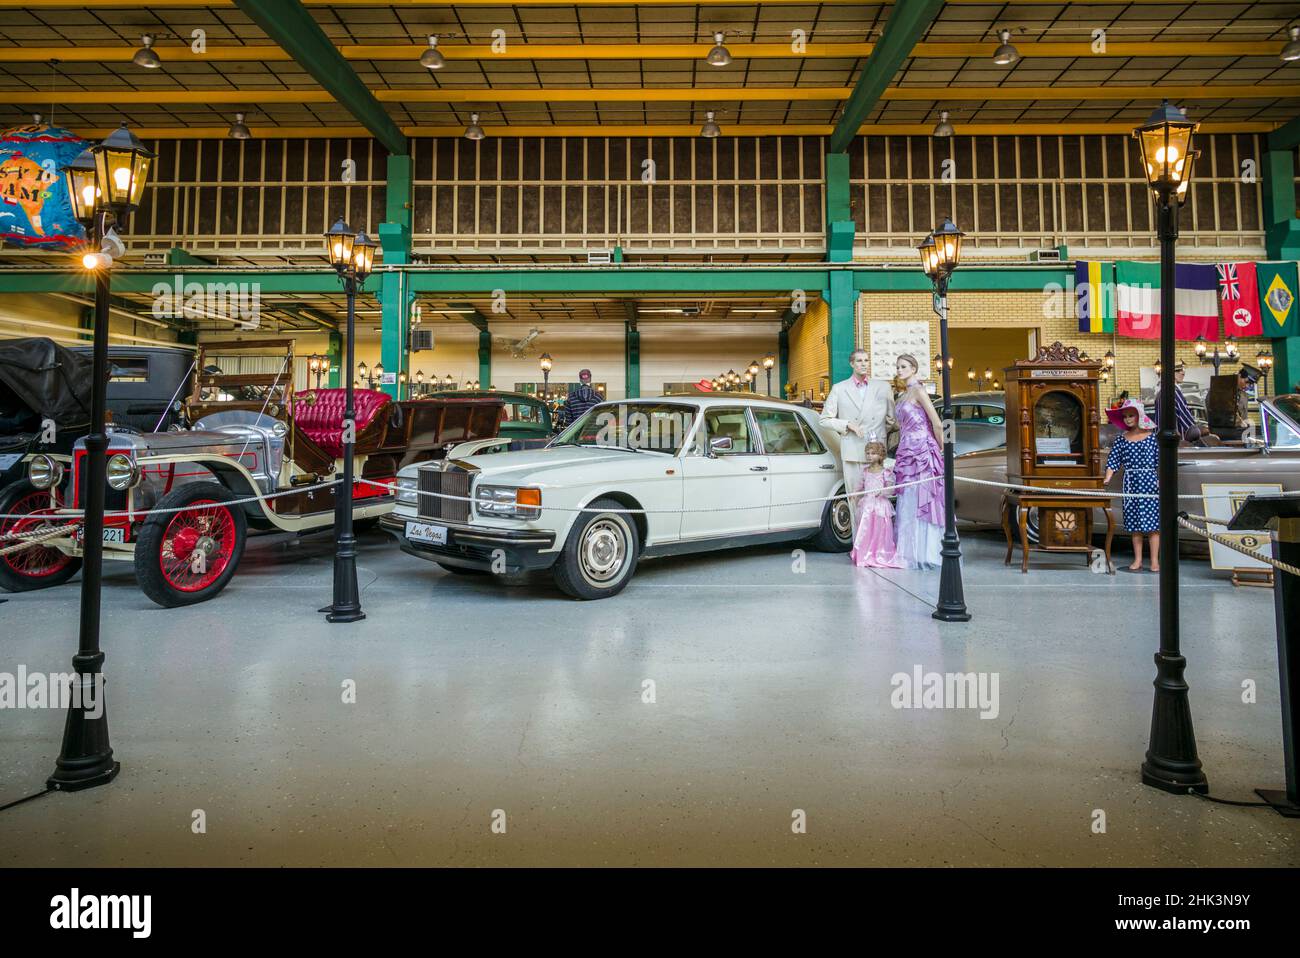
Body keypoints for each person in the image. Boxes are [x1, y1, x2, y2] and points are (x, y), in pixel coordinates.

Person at [819, 348, 895, 524]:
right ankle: (858, 543)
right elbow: (824, 420)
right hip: (852, 450)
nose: (863, 364)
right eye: (859, 361)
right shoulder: (839, 388)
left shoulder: (883, 387)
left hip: (876, 450)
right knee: (855, 499)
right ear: (852, 364)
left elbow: (892, 420)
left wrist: (880, 436)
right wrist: (847, 424)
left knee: (878, 498)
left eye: (866, 360)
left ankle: (878, 541)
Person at [891, 354, 945, 569]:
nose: (899, 370)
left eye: (903, 366)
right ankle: (910, 550)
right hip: (906, 450)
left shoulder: (919, 390)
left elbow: (937, 423)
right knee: (909, 500)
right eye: (897, 367)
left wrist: (941, 449)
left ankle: (929, 552)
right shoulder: (904, 394)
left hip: (922, 450)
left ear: (914, 368)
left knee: (924, 498)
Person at [1104, 398, 1160, 572]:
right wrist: (1108, 477)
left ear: (1139, 416)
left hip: (1150, 483)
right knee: (1135, 526)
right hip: (1131, 483)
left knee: (1153, 526)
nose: (1128, 419)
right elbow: (1113, 460)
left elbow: (1161, 461)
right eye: (1126, 416)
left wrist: (1160, 480)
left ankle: (1154, 561)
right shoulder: (1121, 440)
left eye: (1131, 415)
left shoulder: (1152, 438)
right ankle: (1137, 560)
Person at [849, 441, 904, 569]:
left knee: (880, 531)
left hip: (880, 505)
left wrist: (883, 491)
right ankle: (864, 553)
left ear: (881, 455)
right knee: (866, 530)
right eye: (867, 453)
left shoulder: (886, 472)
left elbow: (891, 489)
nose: (869, 456)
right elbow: (860, 485)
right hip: (867, 505)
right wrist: (854, 493)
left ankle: (880, 553)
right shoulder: (865, 471)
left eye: (873, 453)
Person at [1154, 360, 1197, 440]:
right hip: (1176, 444)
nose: (1183, 373)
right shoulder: (1174, 392)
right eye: (1178, 370)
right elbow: (1187, 420)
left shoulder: (1160, 393)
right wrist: (1196, 430)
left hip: (1162, 442)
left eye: (1182, 370)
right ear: (1170, 373)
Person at [1233, 363, 1261, 441]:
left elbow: (1244, 416)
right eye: (1246, 382)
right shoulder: (1223, 392)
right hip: (1230, 434)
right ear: (1239, 376)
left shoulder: (1244, 395)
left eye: (1250, 384)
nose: (1247, 386)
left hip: (1242, 433)